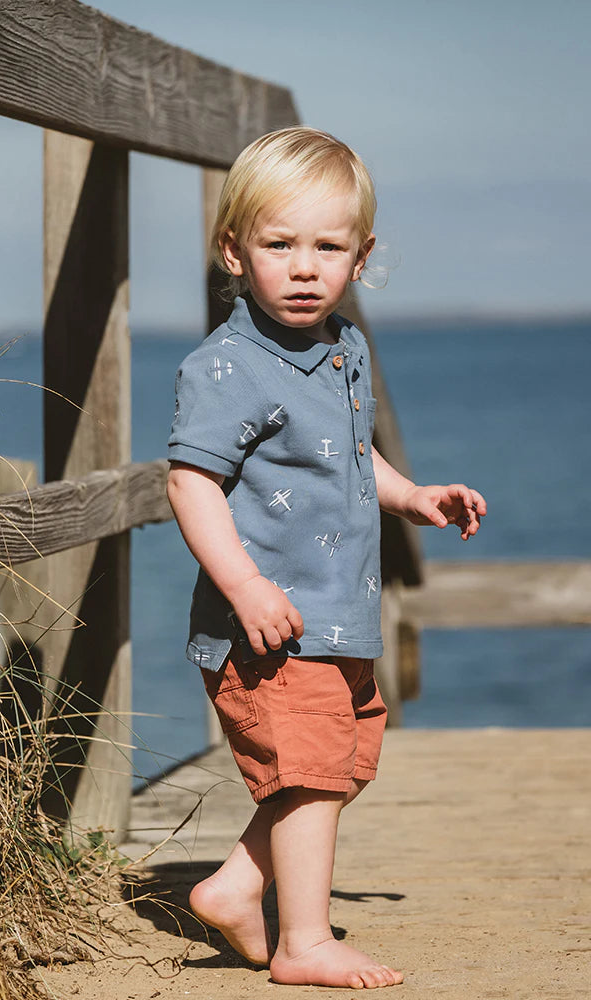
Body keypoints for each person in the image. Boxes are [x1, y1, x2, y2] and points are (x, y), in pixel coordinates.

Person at [166, 127, 486, 989]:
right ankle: (302, 943)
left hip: (339, 612)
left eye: (327, 247)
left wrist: (411, 496)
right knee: (307, 778)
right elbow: (190, 485)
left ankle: (236, 887)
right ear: (234, 249)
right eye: (278, 245)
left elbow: (349, 452)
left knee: (342, 764)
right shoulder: (225, 366)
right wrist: (243, 584)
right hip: (269, 621)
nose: (304, 267)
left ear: (361, 255)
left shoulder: (344, 347)